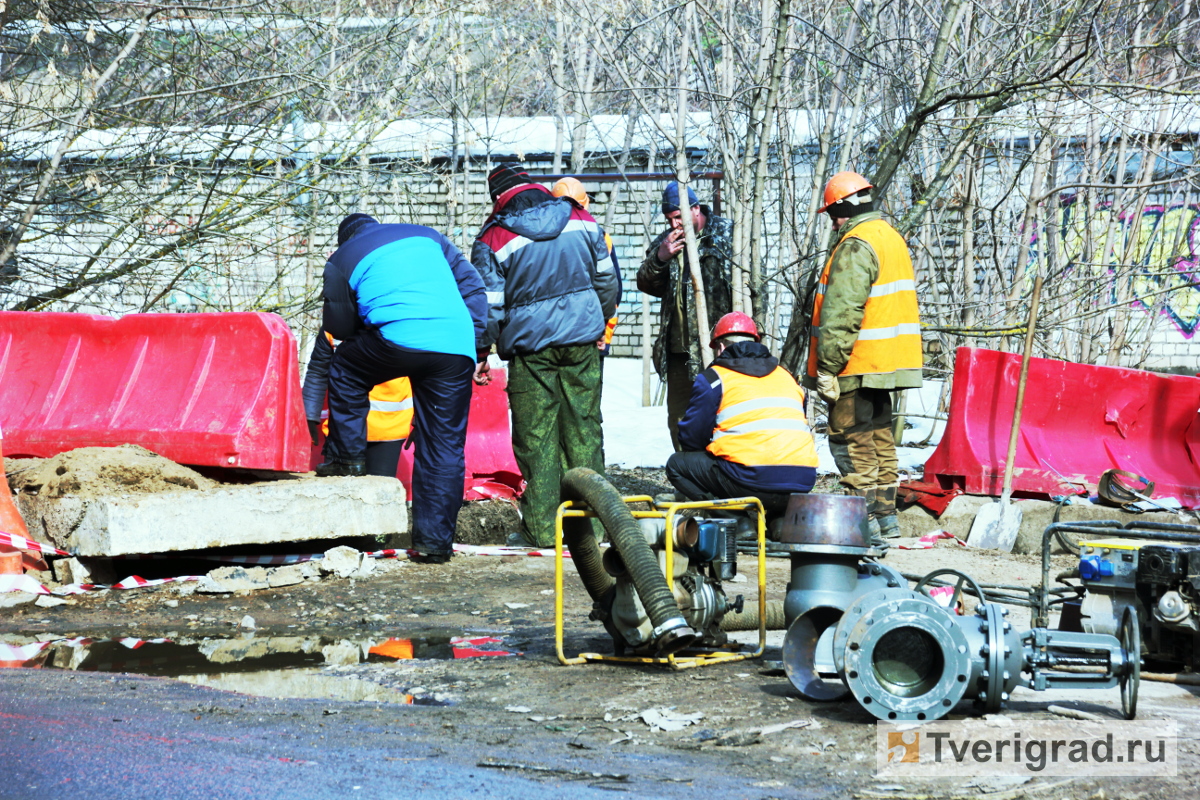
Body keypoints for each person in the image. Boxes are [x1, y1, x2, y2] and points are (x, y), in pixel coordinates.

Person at [318, 213, 488, 565]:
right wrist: (480, 344)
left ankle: (346, 460)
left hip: (395, 341)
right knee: (444, 444)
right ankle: (434, 544)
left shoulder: (342, 259)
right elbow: (472, 287)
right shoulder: (429, 236)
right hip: (454, 349)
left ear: (344, 239)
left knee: (346, 368)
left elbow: (340, 328)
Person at [472, 164, 619, 548]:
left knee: (536, 438)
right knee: (584, 429)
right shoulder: (582, 218)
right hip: (582, 342)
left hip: (529, 352)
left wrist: (481, 350)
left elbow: (489, 306)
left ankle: (542, 532)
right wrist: (598, 319)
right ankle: (594, 529)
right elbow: (607, 280)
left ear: (498, 198)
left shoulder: (493, 238)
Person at [805, 171, 923, 544]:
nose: (833, 222)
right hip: (886, 365)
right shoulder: (890, 238)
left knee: (851, 440)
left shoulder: (856, 244)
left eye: (832, 214)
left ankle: (863, 524)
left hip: (855, 365)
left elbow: (842, 313)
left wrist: (827, 367)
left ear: (841, 209)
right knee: (879, 441)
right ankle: (886, 521)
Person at [666, 312, 817, 523]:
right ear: (756, 342)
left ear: (720, 347)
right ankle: (779, 522)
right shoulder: (786, 376)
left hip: (750, 480)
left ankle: (736, 520)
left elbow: (692, 438)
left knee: (676, 465)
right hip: (802, 481)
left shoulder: (714, 378)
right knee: (772, 483)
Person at [637, 182, 733, 450]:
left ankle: (719, 482)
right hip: (678, 349)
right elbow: (645, 283)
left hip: (718, 347)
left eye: (679, 217)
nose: (675, 224)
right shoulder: (666, 241)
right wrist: (661, 257)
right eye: (669, 219)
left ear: (695, 208)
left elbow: (750, 288)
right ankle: (687, 483)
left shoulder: (726, 234)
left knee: (719, 415)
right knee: (680, 418)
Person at [302, 327, 413, 478]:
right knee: (339, 491)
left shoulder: (401, 327)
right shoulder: (332, 330)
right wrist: (308, 416)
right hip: (343, 428)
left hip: (386, 431)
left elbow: (424, 374)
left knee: (379, 492)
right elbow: (318, 371)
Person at [551, 177, 621, 356]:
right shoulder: (600, 237)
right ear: (586, 205)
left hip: (550, 338)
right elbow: (612, 291)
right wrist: (603, 334)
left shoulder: (541, 238)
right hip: (590, 335)